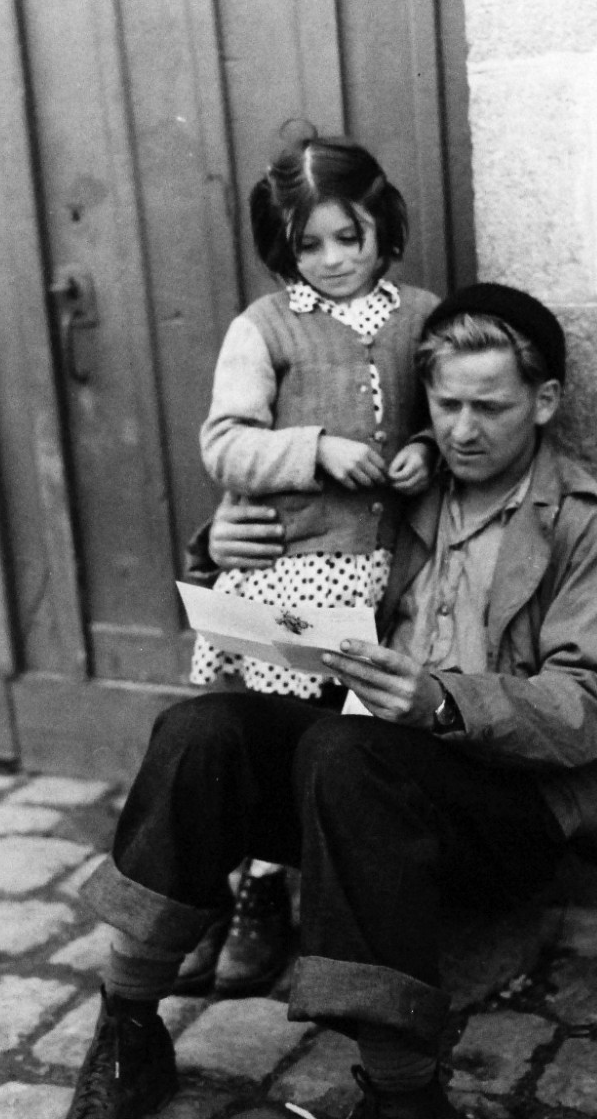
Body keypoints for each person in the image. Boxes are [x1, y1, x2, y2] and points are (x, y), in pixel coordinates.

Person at [67, 283, 597, 1119]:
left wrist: (442, 701)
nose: (461, 428)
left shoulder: (594, 525)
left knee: (347, 751)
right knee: (203, 730)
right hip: (358, 782)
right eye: (445, 404)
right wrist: (217, 550)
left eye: (489, 407)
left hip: (508, 808)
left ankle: (402, 1094)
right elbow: (287, 559)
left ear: (545, 400)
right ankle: (128, 1023)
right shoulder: (404, 492)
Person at [185, 130, 439, 997]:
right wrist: (314, 450)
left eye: (350, 237)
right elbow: (225, 445)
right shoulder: (265, 328)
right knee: (275, 741)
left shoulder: (421, 316)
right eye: (309, 244)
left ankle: (338, 904)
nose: (332, 259)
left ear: (383, 228)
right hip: (299, 575)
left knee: (354, 743)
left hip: (391, 573)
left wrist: (426, 455)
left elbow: (448, 414)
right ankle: (254, 891)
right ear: (282, 249)